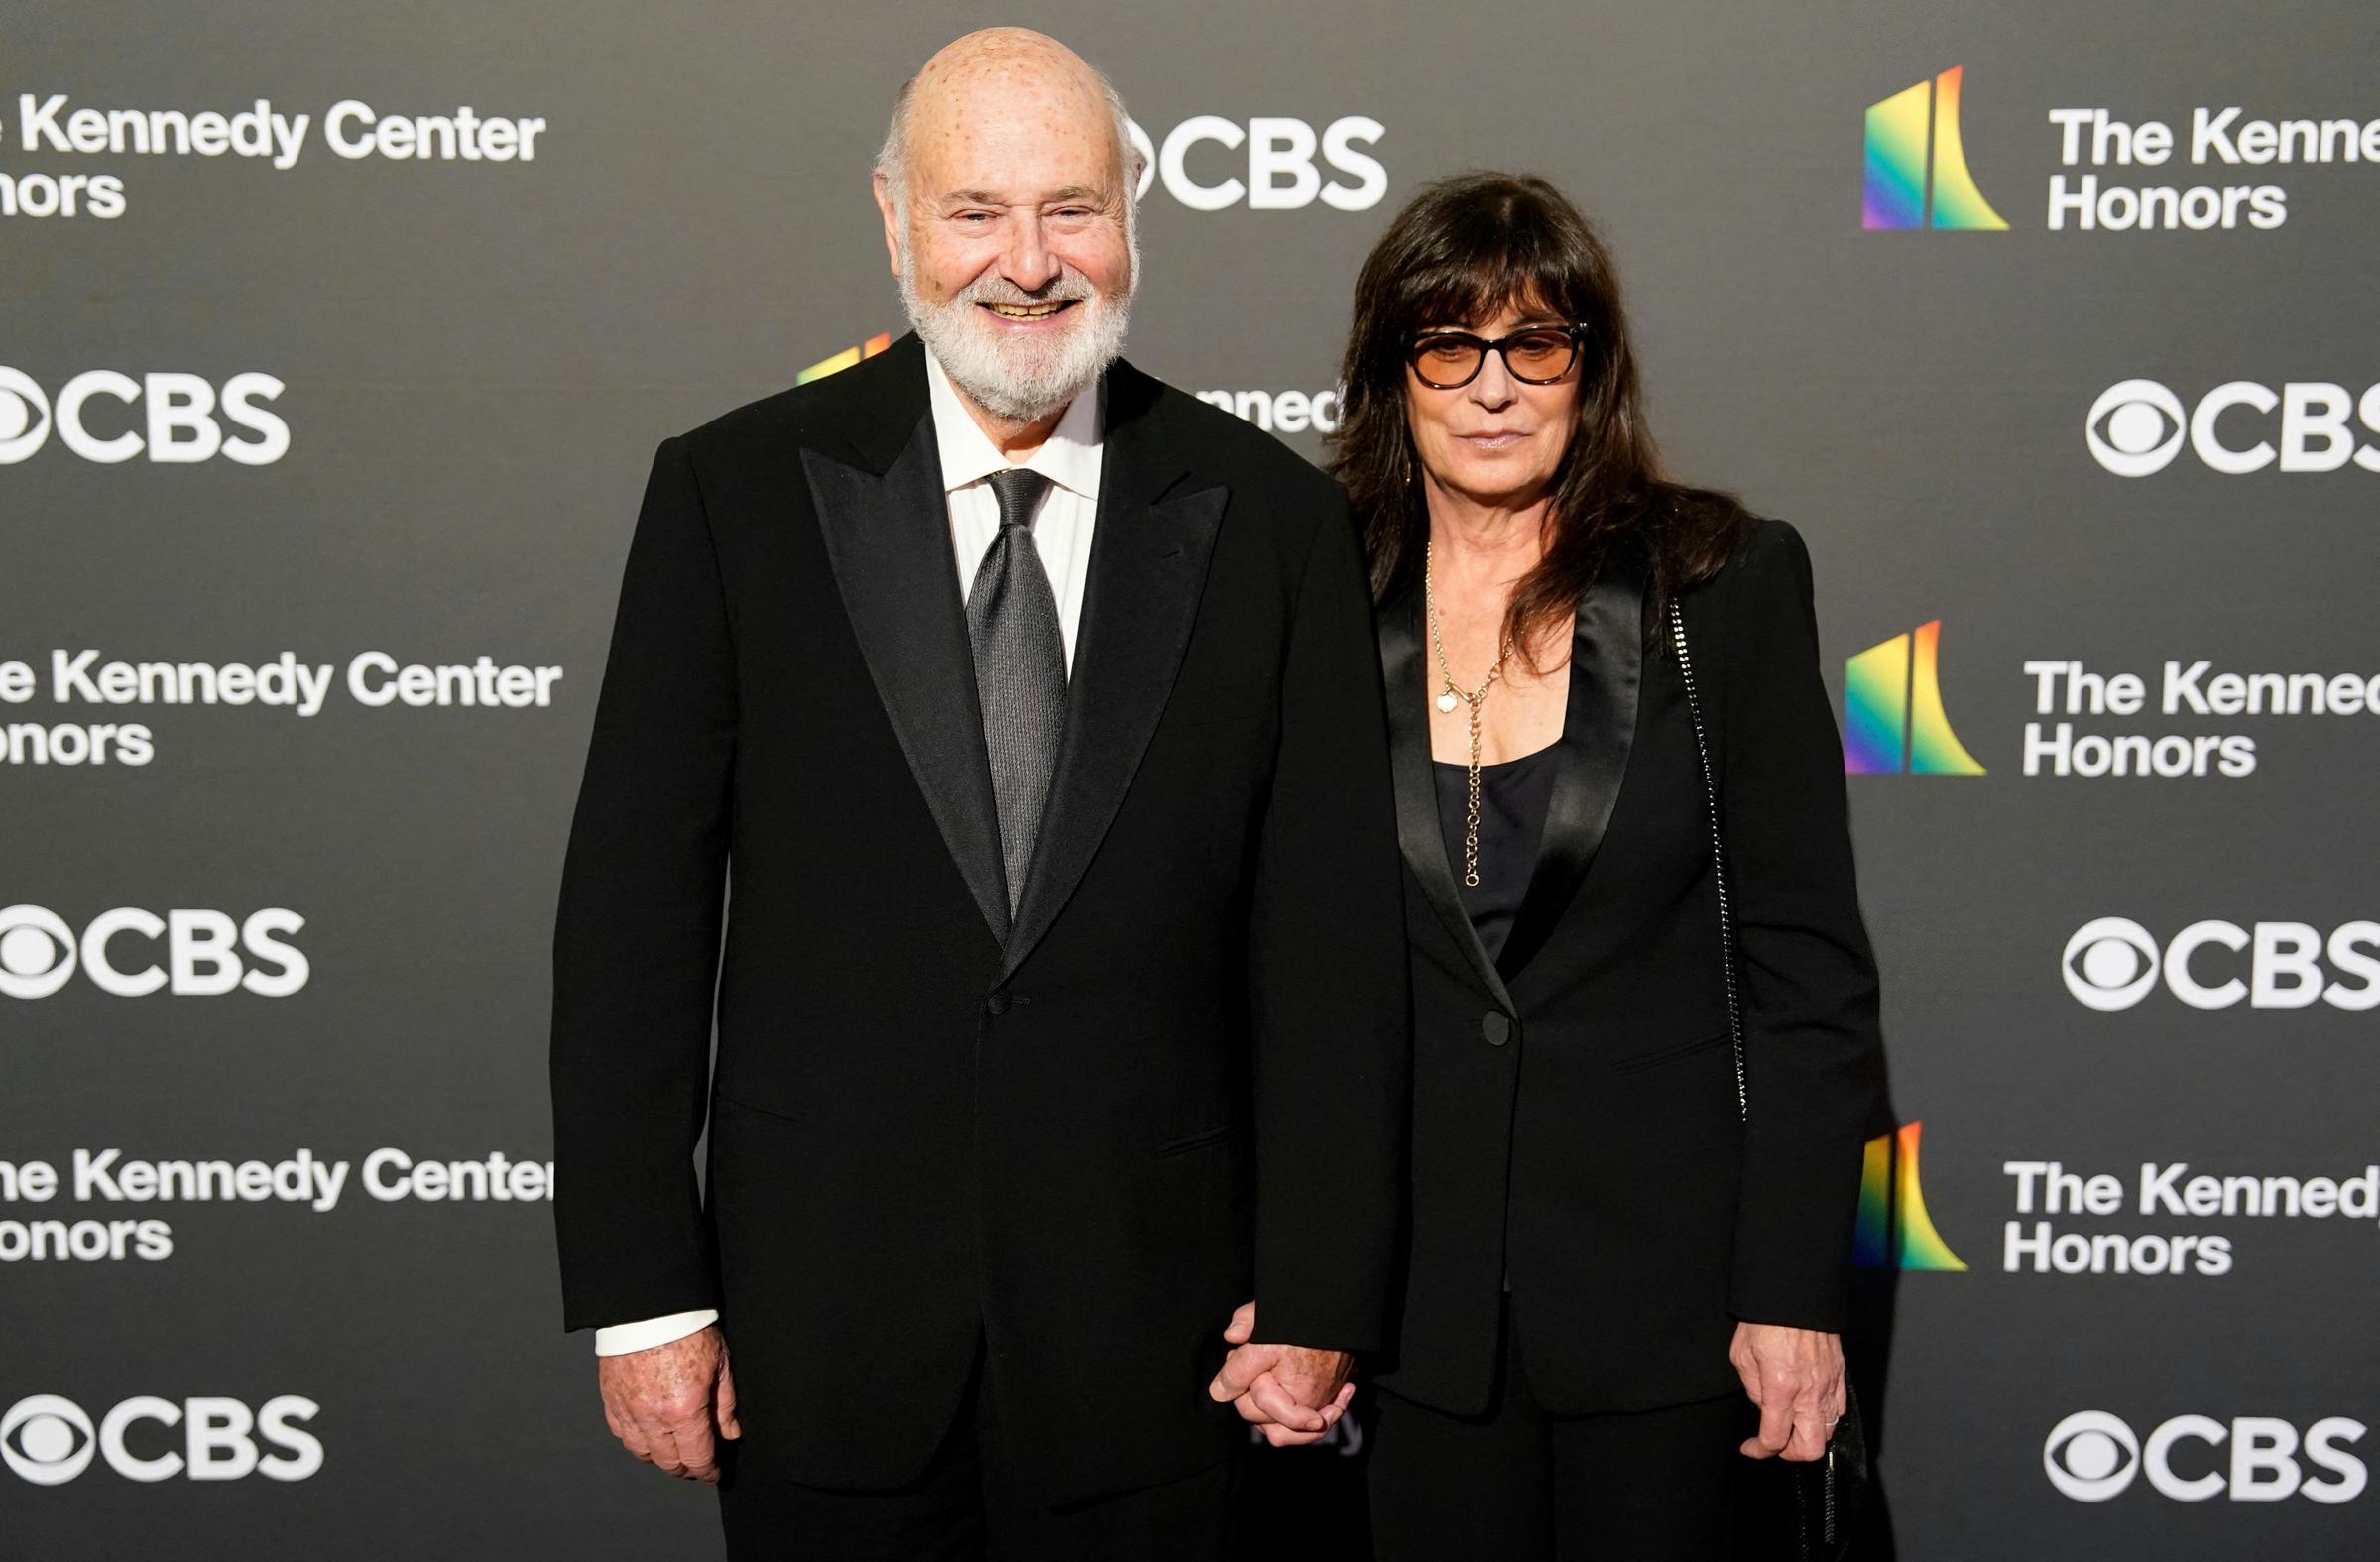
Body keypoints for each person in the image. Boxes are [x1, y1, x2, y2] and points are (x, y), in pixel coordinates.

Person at [548, 29, 1406, 1559]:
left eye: (1073, 209)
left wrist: (1325, 1282)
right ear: (894, 222)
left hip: (1170, 1350)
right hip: (820, 1345)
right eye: (976, 213)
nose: (1029, 263)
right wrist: (644, 1295)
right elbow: (635, 926)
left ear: (1134, 217)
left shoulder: (1268, 518)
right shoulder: (733, 496)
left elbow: (1329, 940)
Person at [1333, 173, 1885, 1558]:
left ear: (1591, 366)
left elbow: (1807, 972)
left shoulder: (1723, 585)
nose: (1493, 387)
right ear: (1392, 370)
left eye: (1537, 345)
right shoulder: (1312, 593)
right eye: (1448, 345)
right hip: (1407, 1317)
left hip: (1673, 1312)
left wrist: (1792, 1292)